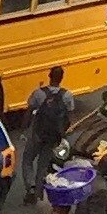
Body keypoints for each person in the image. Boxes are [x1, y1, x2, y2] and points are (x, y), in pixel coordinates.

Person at [19, 67, 73, 202]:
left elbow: (29, 112)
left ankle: (30, 186)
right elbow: (69, 116)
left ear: (49, 76)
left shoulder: (39, 93)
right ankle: (38, 192)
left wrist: (23, 130)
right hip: (53, 137)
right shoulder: (67, 95)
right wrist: (62, 134)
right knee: (43, 165)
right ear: (62, 78)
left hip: (37, 134)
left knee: (27, 160)